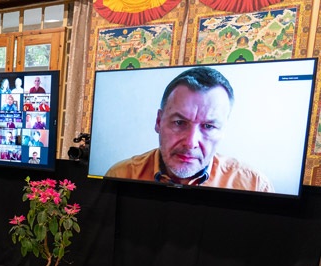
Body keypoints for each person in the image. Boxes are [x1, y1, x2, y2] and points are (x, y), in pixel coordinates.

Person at [105, 66, 273, 191]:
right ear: (158, 121)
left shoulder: (253, 185)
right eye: (179, 122)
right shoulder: (120, 175)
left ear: (222, 131)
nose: (191, 142)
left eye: (208, 126)